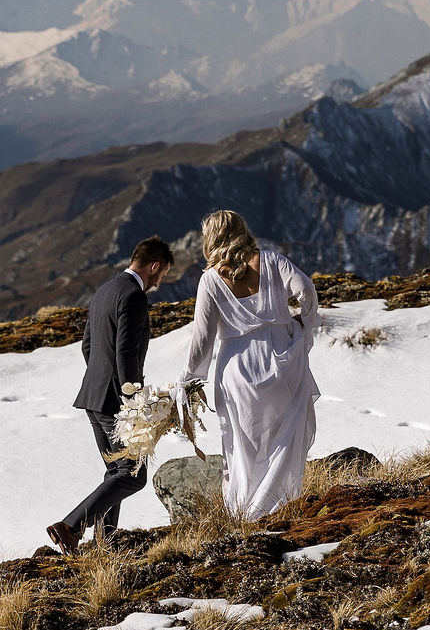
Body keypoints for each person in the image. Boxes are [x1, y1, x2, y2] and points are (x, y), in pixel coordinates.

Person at [182, 209, 320, 519]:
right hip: (283, 357)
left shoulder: (210, 280)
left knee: (241, 445)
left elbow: (202, 338)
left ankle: (246, 512)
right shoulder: (271, 261)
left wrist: (188, 380)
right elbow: (305, 289)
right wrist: (304, 326)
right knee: (284, 435)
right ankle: (279, 504)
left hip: (237, 367)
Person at [48, 236, 174, 554]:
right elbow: (125, 356)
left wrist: (101, 381)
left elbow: (87, 346)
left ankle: (106, 544)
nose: (161, 281)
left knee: (115, 472)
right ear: (155, 266)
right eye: (163, 274)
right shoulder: (133, 295)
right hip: (115, 403)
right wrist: (132, 404)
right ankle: (71, 526)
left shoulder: (105, 290)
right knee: (133, 475)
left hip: (93, 396)